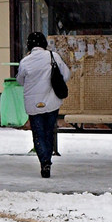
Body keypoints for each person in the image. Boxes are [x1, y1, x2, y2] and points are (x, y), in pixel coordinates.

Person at [16, 31, 70, 178]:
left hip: (33, 103)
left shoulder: (25, 61)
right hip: (51, 101)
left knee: (38, 133)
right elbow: (66, 75)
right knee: (49, 131)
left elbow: (20, 80)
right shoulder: (53, 56)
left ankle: (44, 161)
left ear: (30, 45)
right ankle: (48, 159)